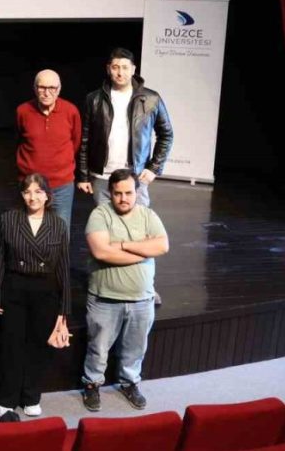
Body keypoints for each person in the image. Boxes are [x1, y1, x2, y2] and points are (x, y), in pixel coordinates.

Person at [81, 168, 169, 412]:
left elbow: (162, 245)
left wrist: (122, 245)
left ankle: (129, 383)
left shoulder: (148, 215)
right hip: (105, 298)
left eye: (129, 193)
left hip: (142, 300)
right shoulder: (99, 215)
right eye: (118, 193)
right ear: (110, 193)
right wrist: (142, 252)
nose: (123, 198)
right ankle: (92, 385)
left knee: (135, 349)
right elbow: (101, 252)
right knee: (98, 349)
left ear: (136, 192)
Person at [0, 173, 71, 422]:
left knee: (37, 346)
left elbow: (64, 268)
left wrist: (64, 309)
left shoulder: (58, 224)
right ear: (22, 195)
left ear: (47, 195)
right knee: (11, 346)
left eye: (38, 191)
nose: (32, 197)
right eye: (27, 192)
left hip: (46, 291)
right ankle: (7, 399)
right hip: (14, 288)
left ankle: (31, 396)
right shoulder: (8, 219)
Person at [76, 47, 173, 208]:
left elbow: (166, 135)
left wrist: (154, 168)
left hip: (136, 176)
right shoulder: (93, 99)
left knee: (137, 227)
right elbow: (85, 140)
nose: (120, 73)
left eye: (125, 67)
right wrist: (83, 176)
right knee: (106, 227)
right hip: (102, 177)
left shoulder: (151, 99)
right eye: (115, 67)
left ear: (133, 69)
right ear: (108, 69)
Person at [16, 69, 81, 227]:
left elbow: (76, 142)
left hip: (62, 185)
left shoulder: (71, 111)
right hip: (30, 184)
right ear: (35, 88)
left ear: (59, 89)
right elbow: (19, 140)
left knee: (61, 230)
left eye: (52, 88)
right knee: (28, 231)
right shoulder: (23, 111)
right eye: (42, 87)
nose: (46, 93)